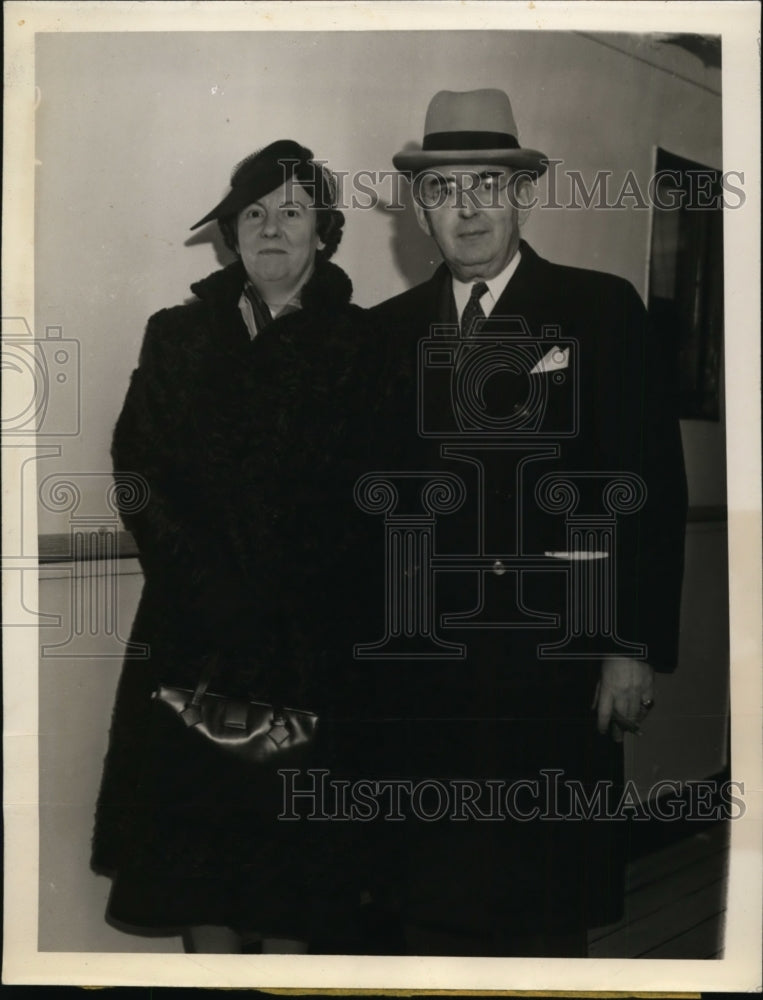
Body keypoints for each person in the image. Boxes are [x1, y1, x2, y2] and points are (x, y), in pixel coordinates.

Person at [362, 89, 688, 956]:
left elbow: (643, 485)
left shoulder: (599, 309)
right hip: (419, 672)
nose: (465, 207)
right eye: (442, 189)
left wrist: (626, 646)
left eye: (486, 183)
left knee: (539, 912)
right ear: (420, 211)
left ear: (522, 195)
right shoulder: (383, 333)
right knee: (425, 908)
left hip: (552, 663)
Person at [91, 140, 384, 954]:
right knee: (198, 863)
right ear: (229, 235)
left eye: (291, 211)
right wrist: (207, 588)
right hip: (192, 633)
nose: (270, 228)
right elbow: (138, 470)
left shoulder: (366, 344)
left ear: (323, 231)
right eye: (252, 214)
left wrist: (289, 592)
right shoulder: (176, 335)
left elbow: (377, 488)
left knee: (296, 870)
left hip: (312, 642)